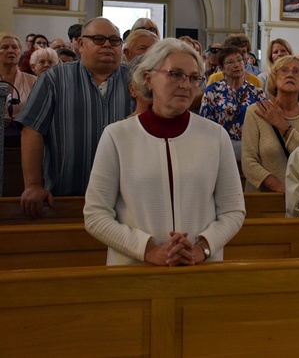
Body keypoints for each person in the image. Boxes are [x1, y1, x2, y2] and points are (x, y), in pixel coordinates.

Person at [83, 38, 245, 265]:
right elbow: (95, 215)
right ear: (148, 78)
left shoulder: (215, 136)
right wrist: (146, 249)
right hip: (135, 269)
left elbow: (233, 210)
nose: (185, 85)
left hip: (200, 269)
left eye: (194, 78)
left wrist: (202, 248)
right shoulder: (117, 136)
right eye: (175, 74)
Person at [16, 17, 133, 218]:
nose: (107, 44)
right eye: (98, 39)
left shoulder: (136, 79)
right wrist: (34, 185)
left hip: (125, 202)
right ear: (80, 44)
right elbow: (32, 130)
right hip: (66, 198)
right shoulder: (55, 78)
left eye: (114, 41)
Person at [241, 55, 299, 192]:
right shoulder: (255, 112)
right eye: (283, 70)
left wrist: (282, 125)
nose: (290, 74)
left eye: (296, 71)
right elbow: (248, 162)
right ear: (274, 78)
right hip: (263, 199)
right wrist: (279, 187)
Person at [200, 46, 266, 160]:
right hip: (219, 149)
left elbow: (264, 124)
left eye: (239, 60)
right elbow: (205, 124)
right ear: (222, 68)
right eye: (230, 62)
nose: (236, 65)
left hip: (250, 150)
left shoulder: (256, 92)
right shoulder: (213, 91)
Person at [0, 34, 37, 147]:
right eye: (5, 47)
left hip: (25, 141)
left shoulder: (33, 81)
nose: (11, 51)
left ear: (20, 52)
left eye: (15, 47)